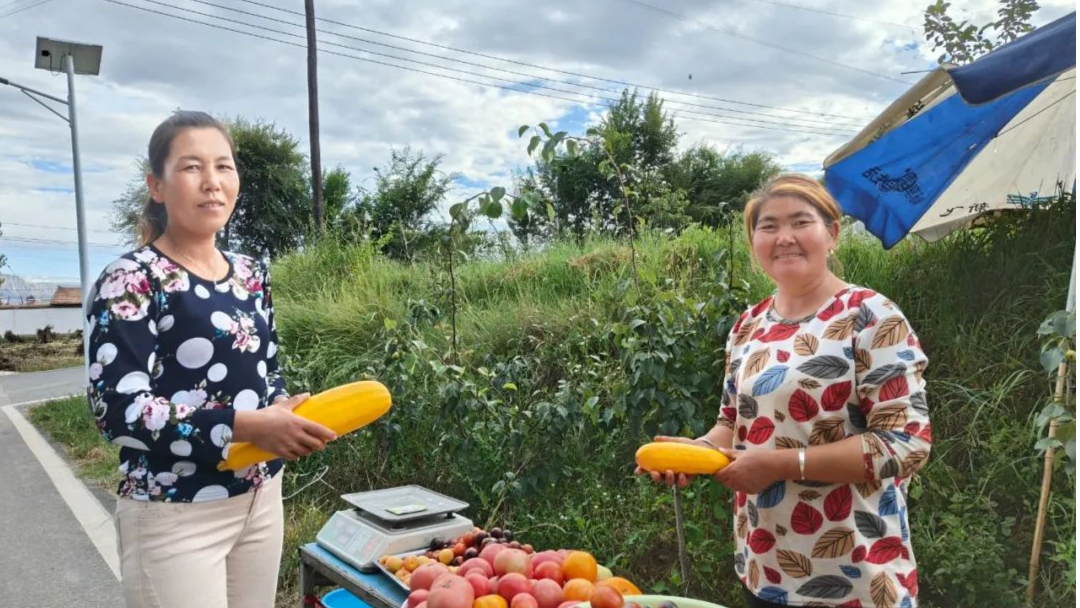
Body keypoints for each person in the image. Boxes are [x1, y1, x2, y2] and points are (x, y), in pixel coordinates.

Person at [637, 174, 931, 608]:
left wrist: (781, 464)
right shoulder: (749, 325)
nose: (784, 237)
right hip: (767, 567)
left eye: (800, 222)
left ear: (831, 234)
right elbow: (731, 423)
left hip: (857, 575)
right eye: (768, 226)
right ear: (753, 240)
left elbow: (905, 445)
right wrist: (696, 452)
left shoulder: (871, 316)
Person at [85, 110, 337, 608]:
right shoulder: (132, 280)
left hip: (261, 499)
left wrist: (283, 411)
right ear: (156, 185)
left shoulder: (251, 273)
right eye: (191, 167)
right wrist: (246, 426)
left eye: (224, 167)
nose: (212, 183)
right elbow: (118, 410)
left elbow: (267, 368)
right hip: (173, 510)